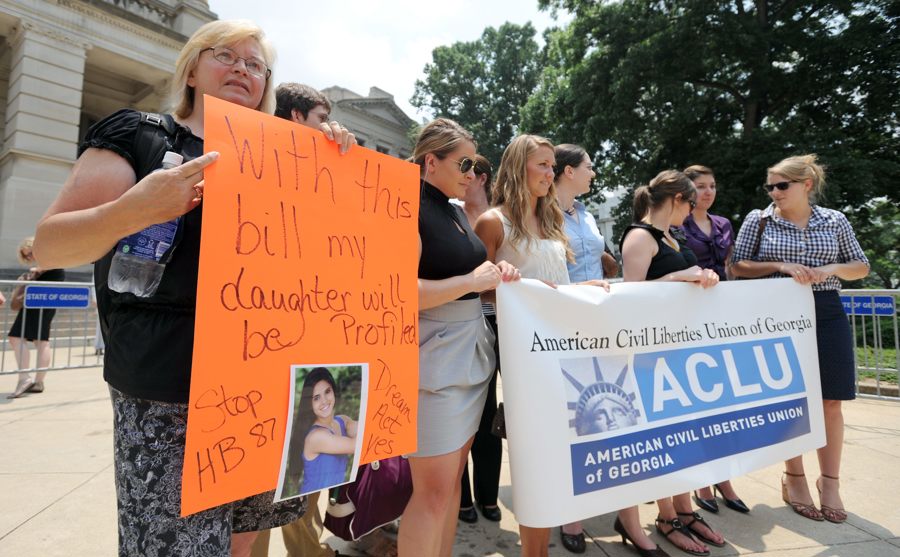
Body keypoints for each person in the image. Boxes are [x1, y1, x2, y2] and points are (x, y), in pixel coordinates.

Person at [32, 19, 352, 556]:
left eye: (255, 65)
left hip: (266, 388)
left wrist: (335, 163)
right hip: (167, 393)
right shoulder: (140, 136)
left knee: (242, 542)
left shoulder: (286, 161)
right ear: (191, 69)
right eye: (224, 55)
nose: (241, 69)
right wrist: (133, 210)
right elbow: (48, 245)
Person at [475, 135, 609, 557]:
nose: (551, 173)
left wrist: (581, 288)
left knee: (563, 446)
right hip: (521, 353)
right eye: (543, 165)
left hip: (563, 347)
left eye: (553, 165)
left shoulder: (552, 218)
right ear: (519, 167)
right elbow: (474, 290)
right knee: (534, 453)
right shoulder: (493, 222)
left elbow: (555, 283)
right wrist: (507, 283)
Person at [252, 83, 366, 557]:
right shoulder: (255, 156)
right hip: (261, 341)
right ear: (297, 117)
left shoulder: (326, 168)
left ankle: (308, 549)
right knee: (258, 479)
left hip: (311, 338)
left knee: (301, 469)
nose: (330, 126)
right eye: (322, 117)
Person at [398, 118, 519, 557]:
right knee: (431, 493)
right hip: (435, 357)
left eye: (476, 164)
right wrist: (471, 280)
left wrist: (494, 272)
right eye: (464, 163)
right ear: (431, 161)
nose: (473, 173)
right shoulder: (406, 205)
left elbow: (465, 272)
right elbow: (400, 292)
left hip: (468, 352)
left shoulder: (451, 209)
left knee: (449, 487)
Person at [731, 154, 869, 524]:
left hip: (826, 309)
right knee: (791, 399)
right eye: (770, 187)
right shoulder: (759, 219)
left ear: (806, 184)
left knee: (832, 400)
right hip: (779, 314)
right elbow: (737, 265)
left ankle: (830, 482)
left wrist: (831, 269)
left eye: (782, 185)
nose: (774, 192)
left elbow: (861, 265)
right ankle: (794, 477)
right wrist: (780, 266)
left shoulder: (834, 220)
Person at [620, 170, 721, 557]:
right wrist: (681, 275)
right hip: (650, 352)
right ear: (678, 198)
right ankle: (666, 516)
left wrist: (703, 277)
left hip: (679, 346)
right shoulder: (639, 237)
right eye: (691, 202)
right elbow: (629, 296)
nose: (692, 210)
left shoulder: (669, 237)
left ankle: (683, 509)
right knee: (660, 436)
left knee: (683, 432)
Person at [679, 165, 749, 515]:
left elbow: (730, 266)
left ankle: (724, 476)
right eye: (700, 186)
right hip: (689, 317)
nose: (708, 192)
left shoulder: (722, 224)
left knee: (724, 401)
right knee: (698, 401)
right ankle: (701, 479)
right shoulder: (677, 223)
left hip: (721, 315)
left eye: (712, 185)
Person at [456, 155, 504, 525]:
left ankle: (489, 494)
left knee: (492, 414)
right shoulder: (450, 214)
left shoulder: (500, 217)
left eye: (467, 171)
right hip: (461, 322)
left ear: (482, 178)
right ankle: (462, 498)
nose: (462, 177)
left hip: (500, 322)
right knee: (467, 410)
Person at [6, 237, 65, 398]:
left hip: (39, 300)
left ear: (37, 248)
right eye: (27, 256)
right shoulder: (48, 263)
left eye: (30, 253)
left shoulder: (50, 260)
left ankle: (25, 378)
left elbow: (58, 264)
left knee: (17, 337)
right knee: (41, 340)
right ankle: (37, 381)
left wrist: (38, 270)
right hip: (41, 299)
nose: (30, 257)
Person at [298, 367, 357, 493]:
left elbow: (364, 429)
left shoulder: (342, 420)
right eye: (316, 398)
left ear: (333, 391)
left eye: (327, 391)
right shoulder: (316, 437)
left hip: (331, 494)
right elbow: (358, 444)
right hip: (311, 499)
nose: (324, 401)